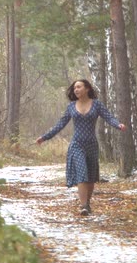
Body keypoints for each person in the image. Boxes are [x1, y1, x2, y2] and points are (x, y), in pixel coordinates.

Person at [36, 79, 126, 216]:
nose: (76, 90)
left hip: (91, 145)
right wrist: (45, 137)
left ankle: (87, 204)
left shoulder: (97, 105)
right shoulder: (71, 107)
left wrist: (118, 125)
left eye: (79, 87)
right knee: (82, 173)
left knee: (90, 177)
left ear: (87, 89)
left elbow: (109, 118)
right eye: (74, 88)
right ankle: (83, 206)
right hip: (77, 144)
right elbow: (60, 125)